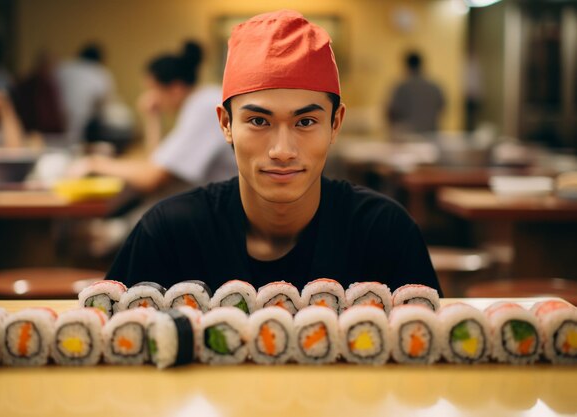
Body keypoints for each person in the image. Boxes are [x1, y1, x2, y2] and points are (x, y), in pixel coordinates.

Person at [106, 10, 441, 295]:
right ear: (225, 124)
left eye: (306, 121)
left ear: (335, 124)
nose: (282, 151)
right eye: (258, 121)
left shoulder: (384, 233)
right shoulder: (169, 233)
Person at [74, 41, 237, 194]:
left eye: (153, 89)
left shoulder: (204, 107)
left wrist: (94, 164)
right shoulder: (200, 101)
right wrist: (153, 119)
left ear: (176, 89)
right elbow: (155, 163)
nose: (149, 98)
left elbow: (152, 178)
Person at [56, 43, 115, 143]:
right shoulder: (100, 73)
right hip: (84, 127)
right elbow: (105, 105)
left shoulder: (62, 67)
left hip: (54, 122)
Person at [387, 51, 445, 138]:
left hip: (408, 136)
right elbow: (442, 107)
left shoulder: (402, 87)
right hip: (431, 135)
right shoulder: (434, 87)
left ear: (406, 65)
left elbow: (392, 112)